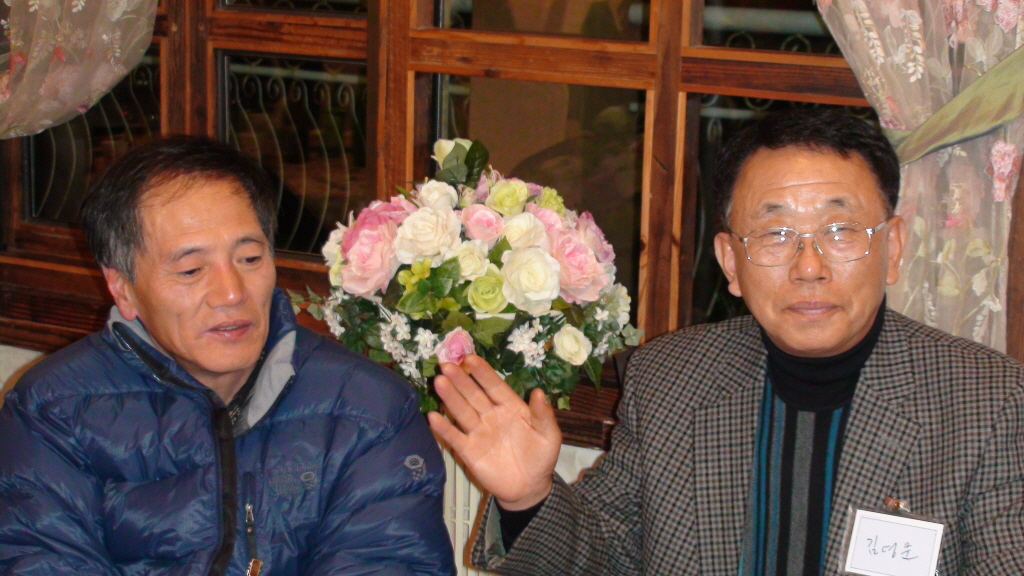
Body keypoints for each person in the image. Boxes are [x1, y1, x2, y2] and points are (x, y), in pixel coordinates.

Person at [429, 109, 1024, 575]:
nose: (809, 266)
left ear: (892, 247)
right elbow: (604, 557)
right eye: (775, 235)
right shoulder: (671, 379)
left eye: (840, 231)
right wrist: (529, 496)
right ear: (730, 262)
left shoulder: (987, 402)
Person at [0, 137, 455, 576]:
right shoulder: (51, 411)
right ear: (123, 288)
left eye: (250, 259)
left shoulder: (369, 410)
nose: (231, 293)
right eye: (191, 270)